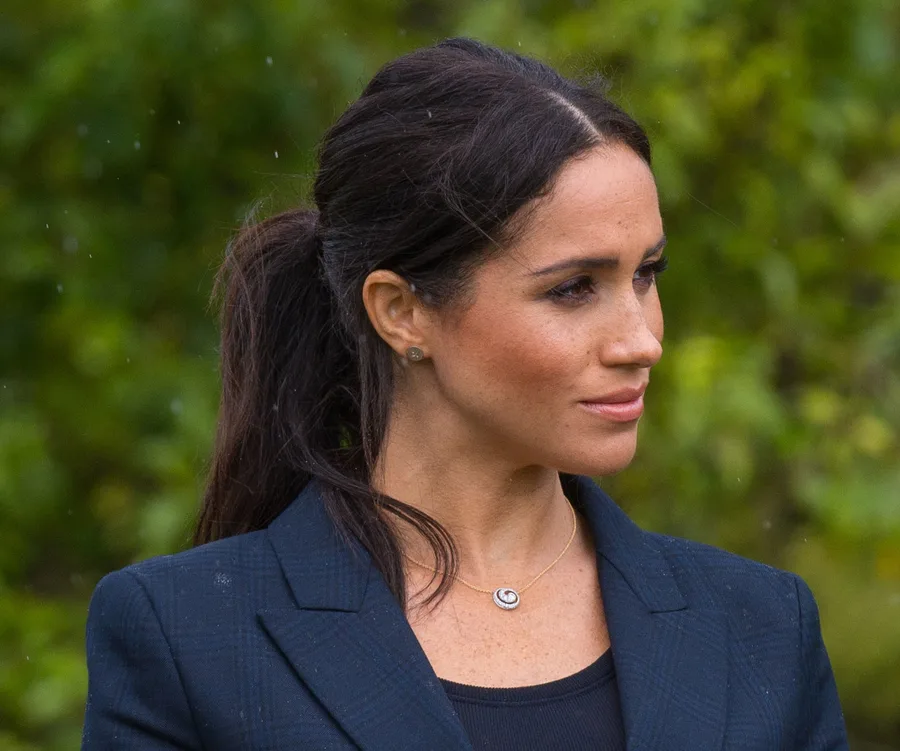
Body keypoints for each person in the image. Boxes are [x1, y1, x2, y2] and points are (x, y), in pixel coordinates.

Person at [81, 38, 848, 750]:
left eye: (646, 274)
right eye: (575, 288)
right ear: (402, 311)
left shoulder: (761, 629)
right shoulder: (187, 636)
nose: (642, 339)